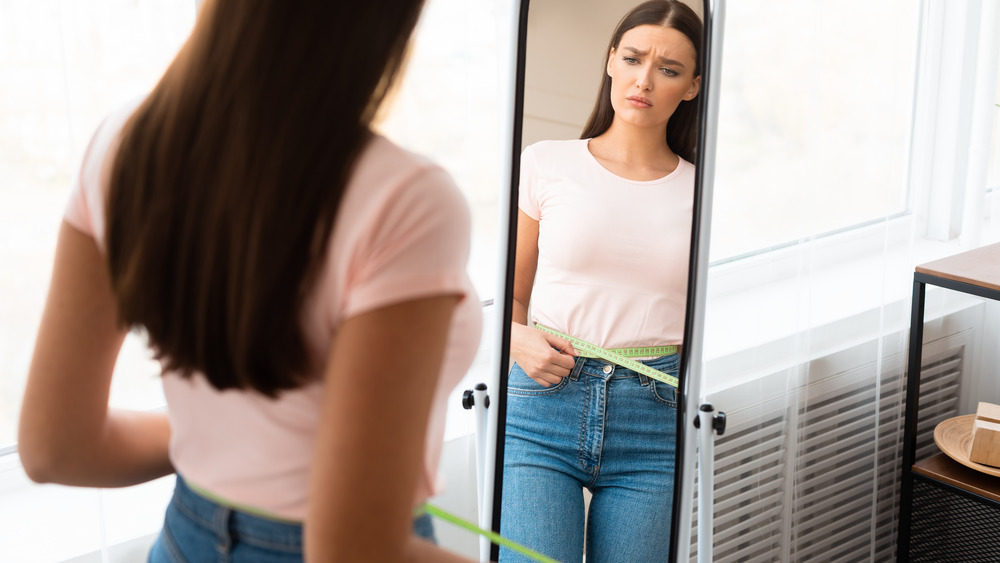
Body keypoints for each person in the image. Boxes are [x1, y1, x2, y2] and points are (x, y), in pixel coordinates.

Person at [16, 1, 481, 561]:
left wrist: (228, 441)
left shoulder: (124, 142)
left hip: (184, 540)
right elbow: (353, 547)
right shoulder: (405, 199)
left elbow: (57, 447)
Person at [499, 1, 701, 561]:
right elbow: (511, 296)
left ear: (691, 87)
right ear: (611, 61)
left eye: (669, 69)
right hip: (542, 405)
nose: (644, 79)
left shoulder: (703, 194)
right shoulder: (544, 164)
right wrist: (516, 339)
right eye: (633, 58)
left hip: (654, 416)